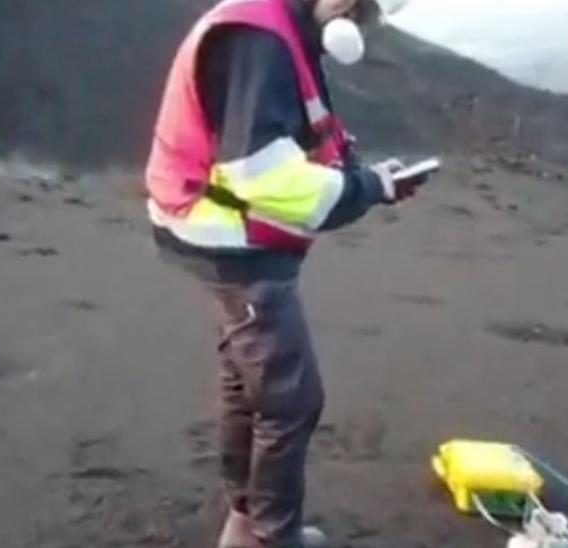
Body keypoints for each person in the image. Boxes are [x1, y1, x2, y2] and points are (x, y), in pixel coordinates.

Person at [142, 0, 423, 546]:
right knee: (289, 398)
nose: (366, 15)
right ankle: (272, 536)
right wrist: (364, 190)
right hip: (225, 238)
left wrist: (363, 176)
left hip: (212, 225)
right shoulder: (260, 40)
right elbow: (260, 177)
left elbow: (285, 142)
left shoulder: (279, 25)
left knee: (247, 380)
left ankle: (245, 524)